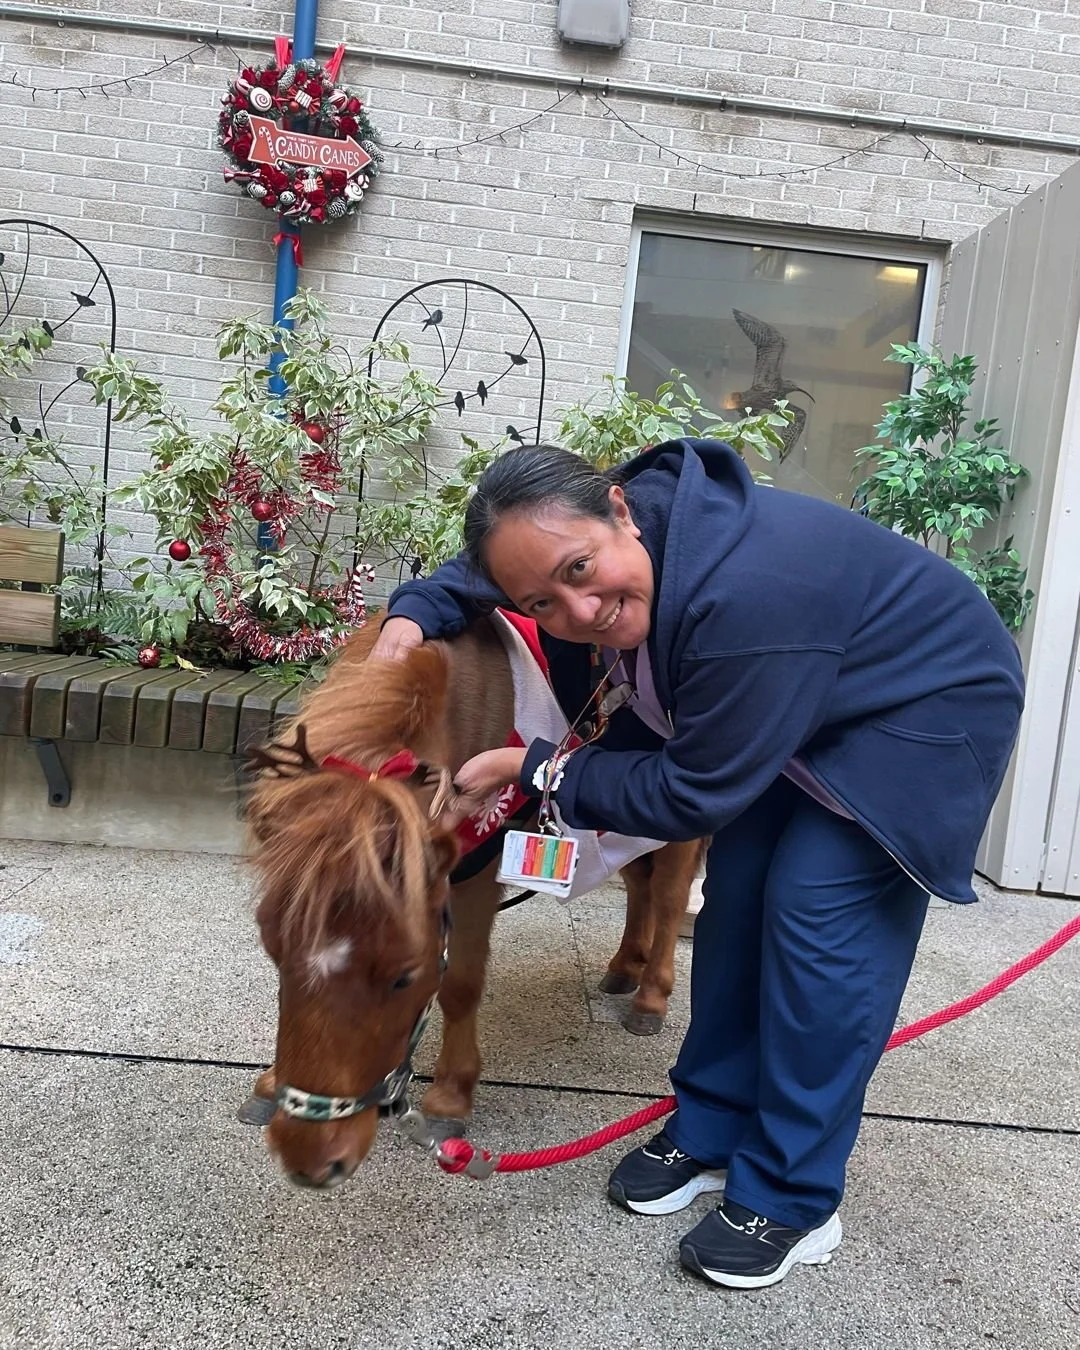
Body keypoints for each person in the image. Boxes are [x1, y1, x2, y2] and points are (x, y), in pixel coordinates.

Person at [371, 439, 1024, 1290]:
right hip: (805, 706)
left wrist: (535, 768)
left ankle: (793, 1193)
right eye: (543, 602)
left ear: (619, 509)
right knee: (740, 900)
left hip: (922, 711)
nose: (580, 609)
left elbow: (691, 794)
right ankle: (712, 1124)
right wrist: (407, 617)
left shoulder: (747, 594)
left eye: (581, 571)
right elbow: (478, 576)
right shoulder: (585, 535)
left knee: (817, 917)